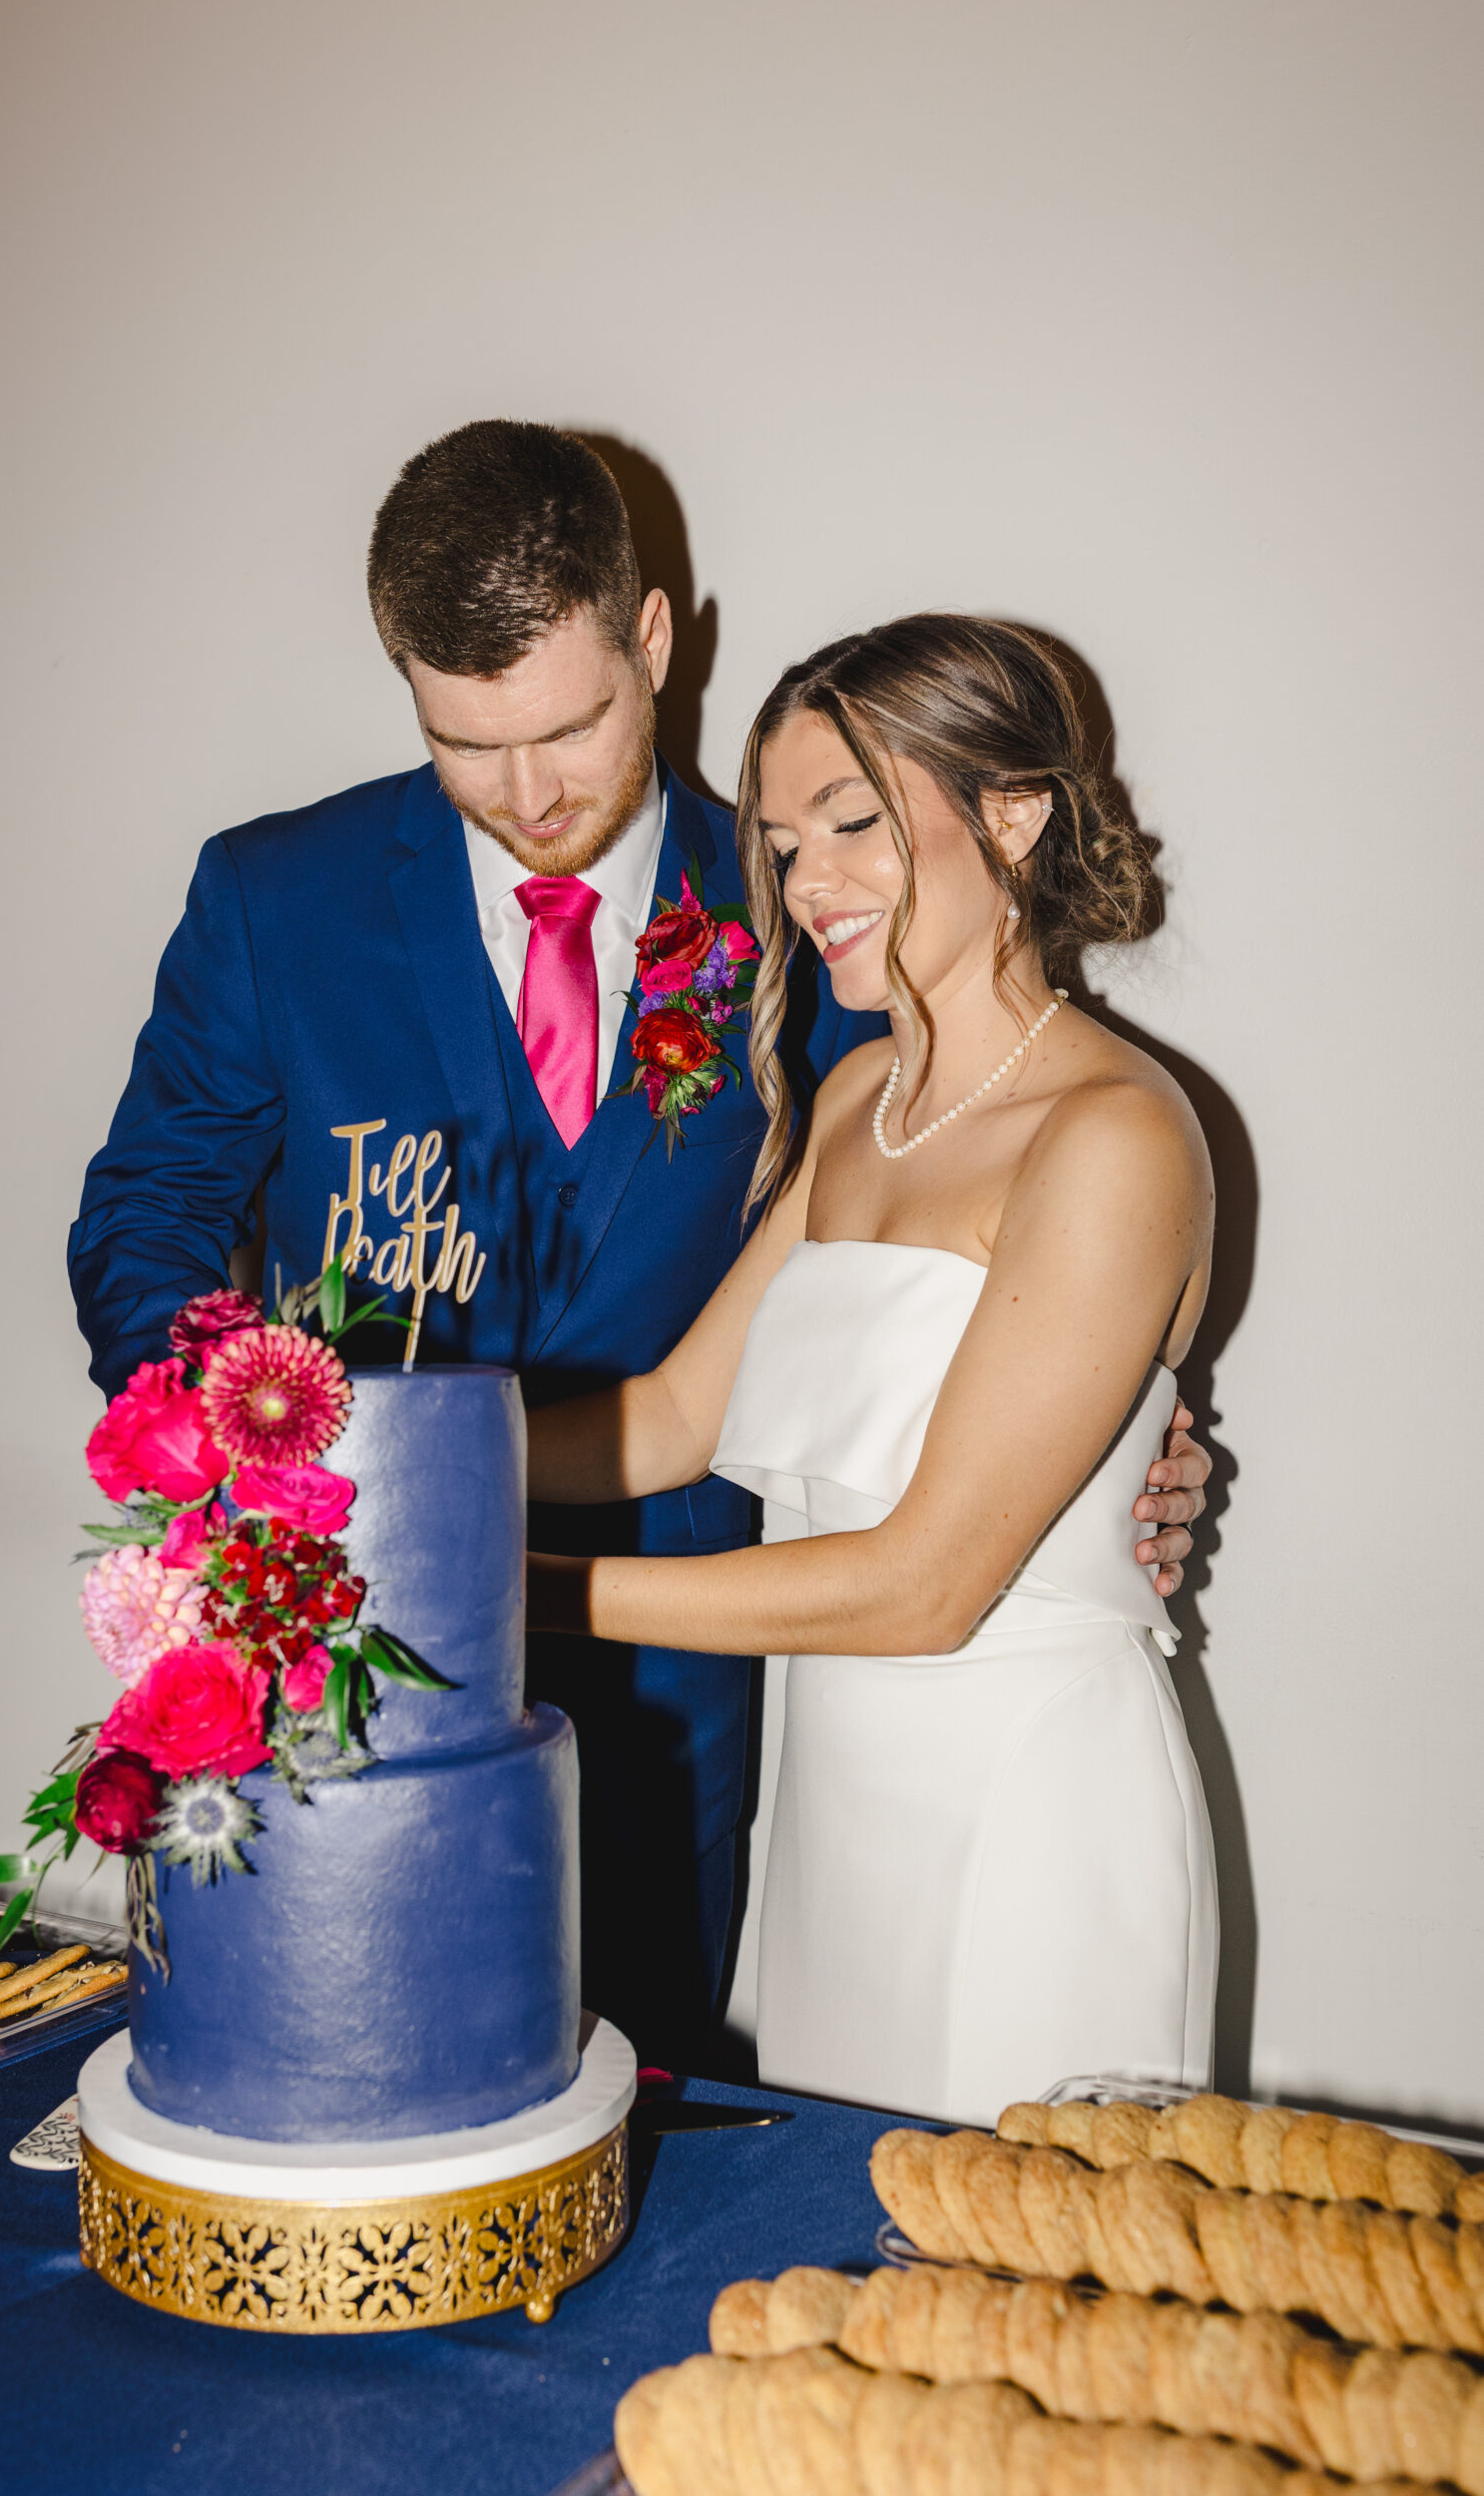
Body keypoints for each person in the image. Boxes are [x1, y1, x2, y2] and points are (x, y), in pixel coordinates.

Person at [69, 424, 1212, 2067]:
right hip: (361, 1652)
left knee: (684, 2135)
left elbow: (996, 1284)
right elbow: (149, 1218)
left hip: (722, 1686)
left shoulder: (808, 916)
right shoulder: (277, 899)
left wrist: (1120, 1448)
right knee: (351, 2071)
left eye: (574, 725)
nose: (530, 793)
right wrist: (272, 1472)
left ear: (654, 644)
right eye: (468, 743)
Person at [525, 614, 1220, 2121]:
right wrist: (391, 1471)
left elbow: (926, 1584)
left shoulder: (1116, 1133)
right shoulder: (857, 1097)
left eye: (854, 824)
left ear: (1014, 816)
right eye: (780, 843)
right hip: (834, 1806)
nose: (806, 884)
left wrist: (510, 1588)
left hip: (1031, 1816)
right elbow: (670, 1420)